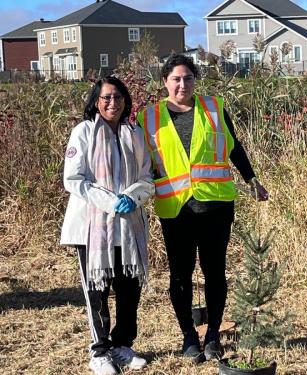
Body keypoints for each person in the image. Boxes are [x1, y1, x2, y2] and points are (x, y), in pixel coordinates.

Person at [137, 54, 268, 363]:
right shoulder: (149, 117)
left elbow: (234, 147)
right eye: (176, 79)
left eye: (188, 78)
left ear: (195, 80)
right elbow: (140, 163)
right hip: (175, 208)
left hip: (215, 206)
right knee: (180, 276)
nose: (183, 84)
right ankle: (188, 337)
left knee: (214, 273)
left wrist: (252, 180)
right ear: (165, 82)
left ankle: (212, 337)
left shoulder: (214, 108)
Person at [61, 76, 154, 375]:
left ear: (126, 100)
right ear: (96, 101)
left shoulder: (135, 133)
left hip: (128, 226)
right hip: (93, 226)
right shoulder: (84, 132)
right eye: (105, 98)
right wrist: (109, 201)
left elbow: (147, 177)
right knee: (97, 290)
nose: (112, 103)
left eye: (117, 97)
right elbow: (74, 179)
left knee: (129, 288)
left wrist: (131, 197)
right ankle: (99, 351)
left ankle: (122, 345)